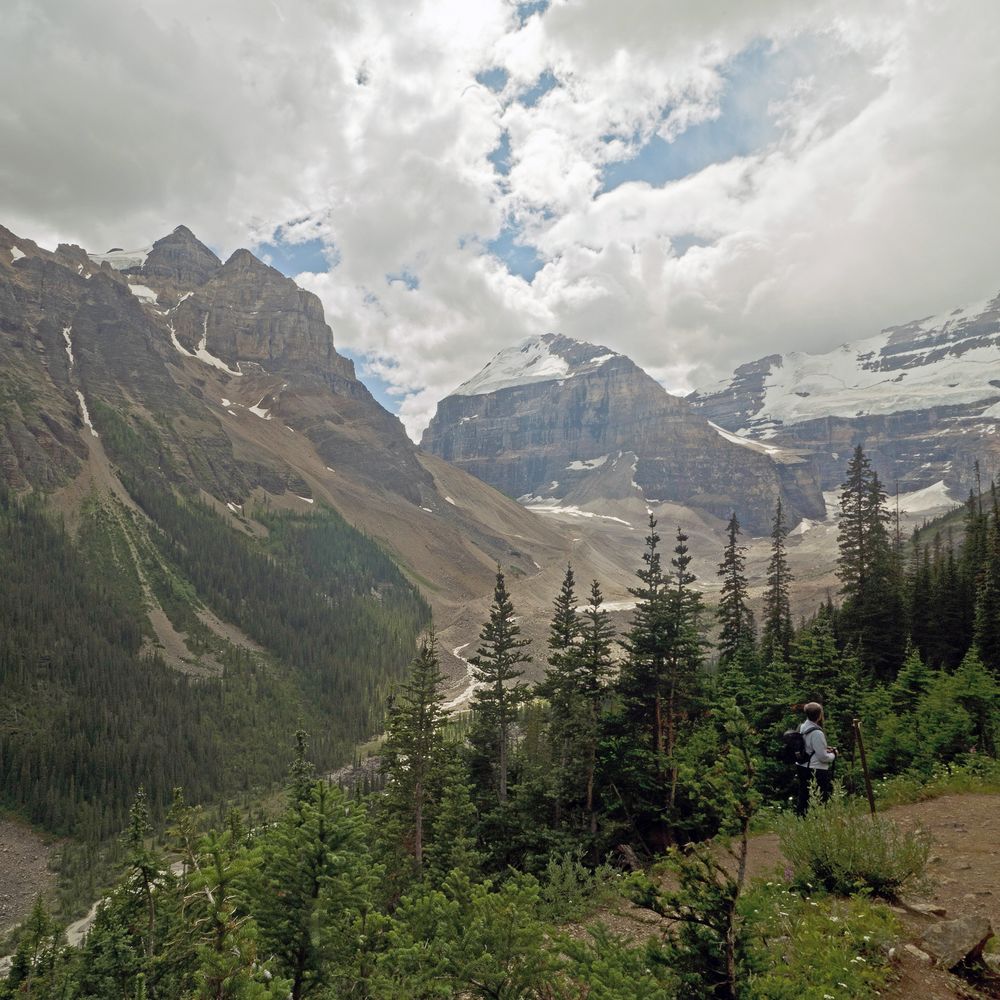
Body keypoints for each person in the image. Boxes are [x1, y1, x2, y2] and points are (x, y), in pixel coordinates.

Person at [795, 701, 837, 816]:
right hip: (815, 769)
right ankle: (819, 819)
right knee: (820, 796)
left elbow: (808, 747)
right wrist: (833, 755)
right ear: (819, 715)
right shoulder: (817, 732)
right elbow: (823, 757)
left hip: (802, 766)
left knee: (804, 796)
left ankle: (801, 819)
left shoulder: (802, 727)